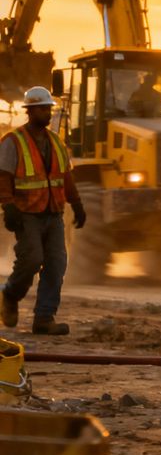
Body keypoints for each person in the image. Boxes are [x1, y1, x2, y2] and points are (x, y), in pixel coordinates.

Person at [0, 87, 86, 335]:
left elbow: (65, 176)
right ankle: (10, 295)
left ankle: (44, 318)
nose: (47, 113)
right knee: (32, 259)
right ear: (29, 111)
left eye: (49, 108)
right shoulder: (12, 142)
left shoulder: (56, 142)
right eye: (42, 108)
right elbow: (3, 177)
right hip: (27, 213)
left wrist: (77, 204)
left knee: (57, 264)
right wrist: (8, 205)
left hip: (53, 213)